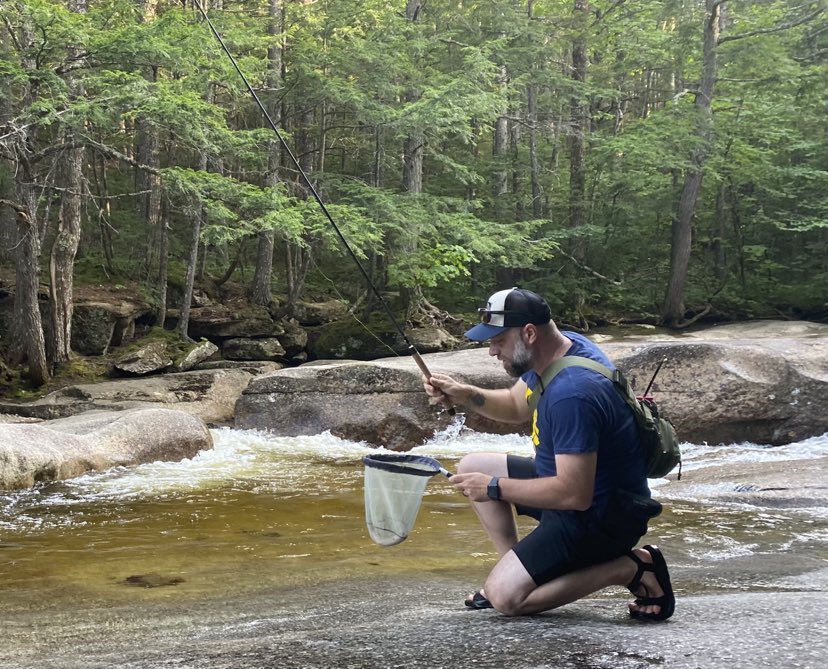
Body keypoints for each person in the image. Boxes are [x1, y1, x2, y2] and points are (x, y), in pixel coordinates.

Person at [423, 287, 675, 620]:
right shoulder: (560, 349)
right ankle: (519, 568)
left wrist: (492, 487)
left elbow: (575, 495)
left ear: (528, 333)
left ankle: (631, 568)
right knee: (474, 463)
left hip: (601, 518)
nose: (491, 352)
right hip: (581, 493)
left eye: (497, 340)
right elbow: (516, 406)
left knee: (505, 599)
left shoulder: (574, 393)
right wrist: (465, 394)